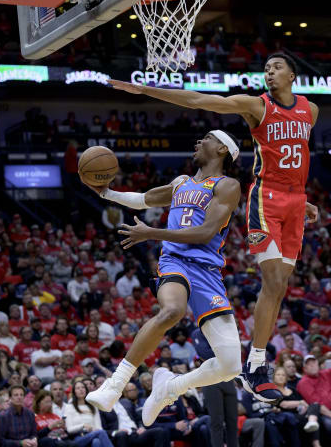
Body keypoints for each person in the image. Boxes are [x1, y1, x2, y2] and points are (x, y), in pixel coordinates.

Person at [108, 53, 320, 403]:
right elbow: (198, 99)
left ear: (293, 75)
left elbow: (295, 156)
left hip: (295, 201)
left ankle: (248, 364)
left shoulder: (310, 111)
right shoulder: (256, 105)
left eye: (276, 67)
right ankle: (256, 363)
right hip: (267, 198)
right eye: (265, 67)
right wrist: (145, 89)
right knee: (275, 281)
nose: (269, 71)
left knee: (282, 287)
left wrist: (301, 198)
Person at [84, 131, 243, 428]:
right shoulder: (181, 182)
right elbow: (143, 200)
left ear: (222, 148)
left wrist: (151, 233)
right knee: (172, 311)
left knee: (231, 365)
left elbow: (205, 233)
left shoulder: (227, 186)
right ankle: (114, 385)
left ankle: (170, 387)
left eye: (206, 138)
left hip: (207, 271)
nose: (198, 141)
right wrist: (105, 193)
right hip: (175, 261)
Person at [273, 367, 323, 447]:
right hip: (287, 416)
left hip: (300, 413)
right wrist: (300, 403)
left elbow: (304, 403)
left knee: (315, 405)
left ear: (286, 378)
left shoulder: (291, 389)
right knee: (311, 419)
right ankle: (316, 446)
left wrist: (304, 407)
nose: (281, 377)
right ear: (274, 377)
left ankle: (311, 421)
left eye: (283, 375)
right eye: (278, 375)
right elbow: (283, 404)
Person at [63, 380, 115, 447]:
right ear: (74, 392)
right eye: (78, 388)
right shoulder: (69, 407)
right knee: (101, 433)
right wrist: (83, 426)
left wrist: (94, 430)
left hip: (93, 434)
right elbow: (69, 429)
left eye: (83, 387)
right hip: (78, 438)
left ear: (86, 390)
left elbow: (99, 427)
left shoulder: (93, 406)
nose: (81, 389)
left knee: (96, 441)